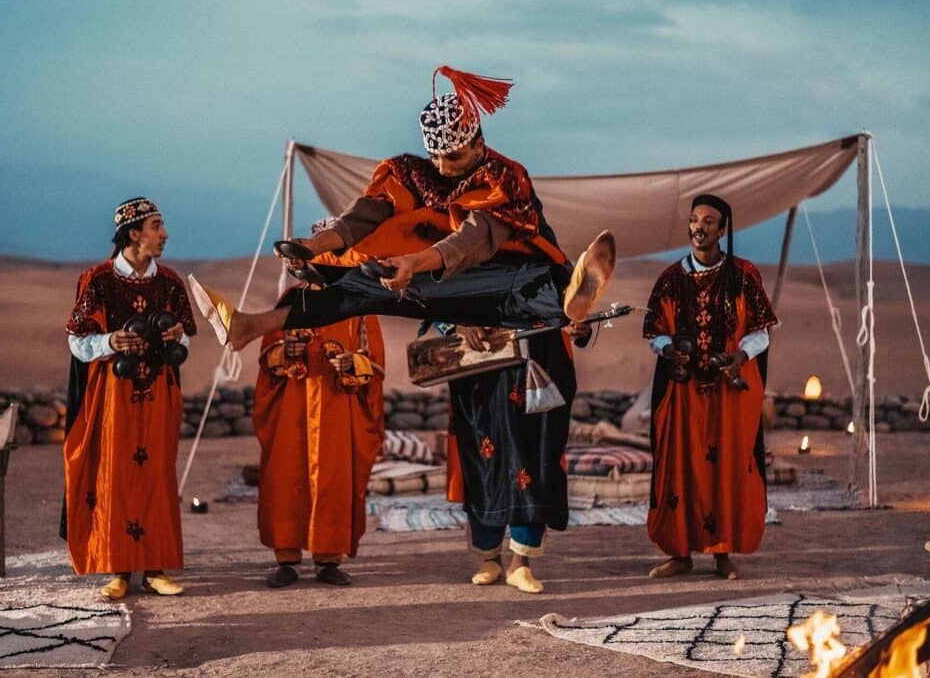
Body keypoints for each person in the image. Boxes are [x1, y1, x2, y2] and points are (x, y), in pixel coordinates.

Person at [187, 65, 615, 349]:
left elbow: (475, 238)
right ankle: (248, 326)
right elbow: (367, 213)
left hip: (499, 273)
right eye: (437, 158)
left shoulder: (503, 176)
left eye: (456, 157)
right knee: (357, 284)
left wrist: (416, 260)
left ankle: (569, 300)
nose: (444, 167)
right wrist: (317, 245)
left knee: (537, 288)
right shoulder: (409, 172)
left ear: (479, 143)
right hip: (437, 282)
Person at [62, 197, 196, 600]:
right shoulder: (98, 280)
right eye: (157, 226)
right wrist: (108, 340)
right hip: (113, 396)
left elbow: (186, 335)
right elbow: (75, 339)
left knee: (156, 474)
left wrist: (176, 336)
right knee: (115, 475)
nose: (165, 234)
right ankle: (118, 570)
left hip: (158, 393)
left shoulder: (170, 282)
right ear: (133, 233)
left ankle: (155, 568)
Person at [642, 194, 777, 581]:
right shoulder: (670, 278)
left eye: (709, 221)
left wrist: (739, 357)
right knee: (679, 468)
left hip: (726, 394)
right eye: (695, 220)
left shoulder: (743, 275)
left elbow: (761, 331)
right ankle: (679, 553)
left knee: (727, 468)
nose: (700, 227)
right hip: (683, 394)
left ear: (722, 229)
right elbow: (654, 332)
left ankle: (722, 553)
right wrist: (670, 349)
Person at [254, 221, 386, 588]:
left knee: (333, 480)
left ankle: (329, 558)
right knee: (286, 477)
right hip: (292, 409)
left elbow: (373, 360)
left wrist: (354, 364)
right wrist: (284, 351)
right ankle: (286, 557)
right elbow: (267, 353)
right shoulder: (291, 301)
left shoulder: (359, 303)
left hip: (336, 407)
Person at [442, 321, 589, 594]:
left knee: (535, 459)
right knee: (483, 460)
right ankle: (489, 558)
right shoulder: (457, 275)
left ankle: (520, 563)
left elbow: (572, 300)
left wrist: (579, 325)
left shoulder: (548, 276)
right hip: (482, 368)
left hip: (539, 363)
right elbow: (435, 300)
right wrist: (458, 327)